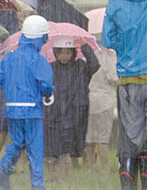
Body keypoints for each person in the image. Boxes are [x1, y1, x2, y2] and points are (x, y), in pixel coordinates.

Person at [102, 0, 147, 189]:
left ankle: (127, 179)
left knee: (129, 136)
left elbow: (108, 39)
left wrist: (128, 46)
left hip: (127, 80)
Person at [0, 15, 53, 190]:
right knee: (35, 150)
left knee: (16, 142)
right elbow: (45, 85)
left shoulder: (9, 57)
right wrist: (48, 93)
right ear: (41, 37)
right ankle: (37, 185)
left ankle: (3, 167)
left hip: (12, 110)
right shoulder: (39, 59)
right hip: (32, 111)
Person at [43, 37, 99, 183]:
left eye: (68, 53)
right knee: (50, 147)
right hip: (52, 113)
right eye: (61, 53)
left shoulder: (79, 66)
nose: (64, 56)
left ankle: (63, 177)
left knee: (65, 148)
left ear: (73, 53)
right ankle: (50, 175)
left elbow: (94, 65)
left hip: (71, 115)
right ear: (55, 52)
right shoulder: (49, 67)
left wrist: (85, 46)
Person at [84, 42, 117, 173]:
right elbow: (113, 78)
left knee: (90, 136)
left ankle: (90, 167)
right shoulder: (109, 56)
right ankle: (104, 167)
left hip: (89, 99)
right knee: (103, 137)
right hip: (105, 101)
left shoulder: (86, 54)